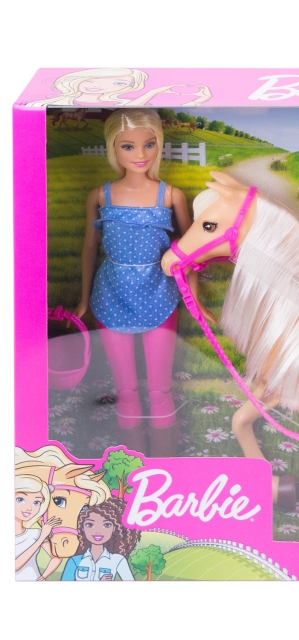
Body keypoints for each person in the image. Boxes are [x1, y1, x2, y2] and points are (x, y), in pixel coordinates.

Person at [75, 108, 201, 455]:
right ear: (113, 149)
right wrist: (84, 300)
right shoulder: (101, 196)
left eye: (149, 144)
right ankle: (132, 463)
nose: (140, 154)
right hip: (111, 294)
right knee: (126, 390)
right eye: (128, 146)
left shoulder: (170, 195)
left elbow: (188, 251)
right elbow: (89, 247)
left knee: (160, 389)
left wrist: (195, 300)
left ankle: (165, 460)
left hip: (159, 292)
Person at [27, 68, 211, 107]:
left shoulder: (122, 104)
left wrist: (202, 100)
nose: (98, 86)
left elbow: (138, 105)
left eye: (119, 83)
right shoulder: (44, 105)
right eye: (94, 80)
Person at [61, 499, 140, 581]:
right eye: (89, 525)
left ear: (114, 528)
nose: (98, 531)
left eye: (106, 525)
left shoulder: (118, 560)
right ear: (82, 528)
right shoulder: (75, 560)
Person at [15, 475, 62, 581]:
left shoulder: (36, 533)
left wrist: (43, 577)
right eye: (20, 499)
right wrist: (41, 538)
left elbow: (56, 558)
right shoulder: (40, 535)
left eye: (36, 502)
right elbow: (15, 566)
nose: (29, 508)